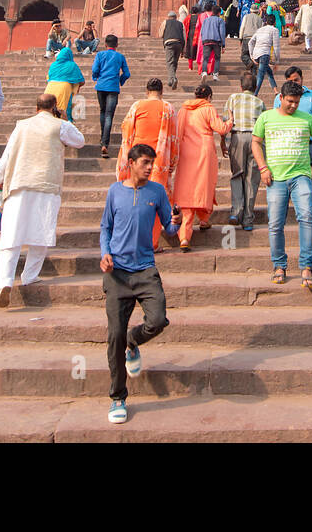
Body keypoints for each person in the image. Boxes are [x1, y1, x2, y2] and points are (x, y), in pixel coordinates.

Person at [100, 143, 179, 425]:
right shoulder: (114, 191)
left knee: (157, 320)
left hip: (145, 269)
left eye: (151, 163)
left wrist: (175, 224)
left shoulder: (157, 191)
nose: (149, 167)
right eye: (145, 162)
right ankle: (117, 397)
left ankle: (134, 341)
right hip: (117, 273)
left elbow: (168, 227)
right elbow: (105, 227)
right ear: (131, 163)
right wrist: (104, 253)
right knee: (114, 336)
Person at [0, 93, 86, 303]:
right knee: (42, 230)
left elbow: (7, 154)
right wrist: (63, 118)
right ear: (54, 107)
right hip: (46, 183)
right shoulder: (59, 126)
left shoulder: (21, 125)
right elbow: (79, 141)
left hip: (19, 182)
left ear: (36, 107)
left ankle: (4, 282)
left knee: (11, 235)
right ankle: (30, 275)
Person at [253, 79, 312, 289]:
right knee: (275, 224)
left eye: (296, 102)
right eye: (289, 101)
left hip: (301, 176)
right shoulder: (266, 117)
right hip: (275, 178)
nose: (293, 106)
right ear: (280, 98)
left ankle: (306, 266)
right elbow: (255, 142)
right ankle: (279, 265)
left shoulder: (307, 119)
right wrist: (263, 168)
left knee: (306, 217)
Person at [117, 78, 181, 251]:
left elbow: (126, 128)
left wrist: (127, 157)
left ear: (147, 91)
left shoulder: (137, 106)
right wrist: (173, 161)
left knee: (135, 199)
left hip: (137, 159)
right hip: (159, 160)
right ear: (162, 91)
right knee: (155, 200)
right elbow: (175, 138)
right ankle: (151, 243)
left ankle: (131, 240)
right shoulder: (168, 108)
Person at [171, 84, 231, 250]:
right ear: (209, 97)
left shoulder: (184, 109)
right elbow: (221, 128)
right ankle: (204, 220)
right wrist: (230, 121)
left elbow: (178, 131)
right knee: (204, 186)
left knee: (186, 189)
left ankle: (184, 237)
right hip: (204, 152)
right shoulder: (208, 108)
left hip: (186, 151)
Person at [223, 71, 263, 229]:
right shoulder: (260, 103)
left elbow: (226, 120)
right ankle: (248, 219)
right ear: (255, 87)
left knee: (237, 175)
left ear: (241, 86)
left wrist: (223, 140)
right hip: (255, 140)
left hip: (238, 137)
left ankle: (236, 211)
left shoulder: (233, 98)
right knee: (251, 179)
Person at [91, 34, 131, 157]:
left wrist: (95, 77)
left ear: (105, 44)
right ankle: (105, 143)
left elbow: (94, 69)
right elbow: (127, 73)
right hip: (113, 87)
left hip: (101, 86)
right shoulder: (120, 57)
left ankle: (103, 139)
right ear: (117, 45)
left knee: (103, 112)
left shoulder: (100, 55)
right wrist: (120, 80)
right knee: (109, 115)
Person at [249, 14, 281, 99]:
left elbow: (250, 42)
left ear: (266, 22)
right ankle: (254, 94)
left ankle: (275, 90)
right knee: (260, 75)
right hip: (264, 54)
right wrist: (277, 61)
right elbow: (276, 47)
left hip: (256, 54)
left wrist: (252, 56)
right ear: (274, 22)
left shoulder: (260, 30)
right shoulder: (274, 30)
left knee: (269, 72)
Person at [197, 3, 227, 81]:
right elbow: (222, 33)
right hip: (216, 41)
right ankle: (215, 75)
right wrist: (223, 45)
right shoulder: (220, 20)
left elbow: (202, 31)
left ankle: (204, 72)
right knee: (217, 58)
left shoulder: (206, 20)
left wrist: (203, 41)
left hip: (206, 41)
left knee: (205, 58)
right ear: (218, 13)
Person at [161, 10, 186, 90]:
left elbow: (160, 33)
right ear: (176, 17)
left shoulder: (165, 22)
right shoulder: (180, 24)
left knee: (170, 62)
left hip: (169, 43)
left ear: (169, 17)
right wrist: (184, 49)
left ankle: (173, 78)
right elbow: (184, 36)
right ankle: (170, 80)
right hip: (179, 44)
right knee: (175, 62)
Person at [239, 1, 263, 70]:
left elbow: (242, 27)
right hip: (256, 39)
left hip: (247, 37)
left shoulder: (246, 16)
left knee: (244, 55)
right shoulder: (260, 19)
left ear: (250, 10)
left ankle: (249, 63)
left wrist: (240, 38)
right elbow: (261, 30)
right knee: (254, 56)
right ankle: (253, 71)